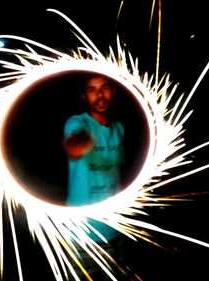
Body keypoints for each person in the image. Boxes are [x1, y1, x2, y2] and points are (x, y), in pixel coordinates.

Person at [63, 74, 129, 280]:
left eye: (105, 88)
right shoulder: (77, 122)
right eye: (92, 90)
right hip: (82, 233)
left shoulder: (119, 128)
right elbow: (73, 145)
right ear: (84, 96)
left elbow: (116, 172)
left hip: (114, 228)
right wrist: (78, 144)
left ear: (113, 91)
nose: (100, 95)